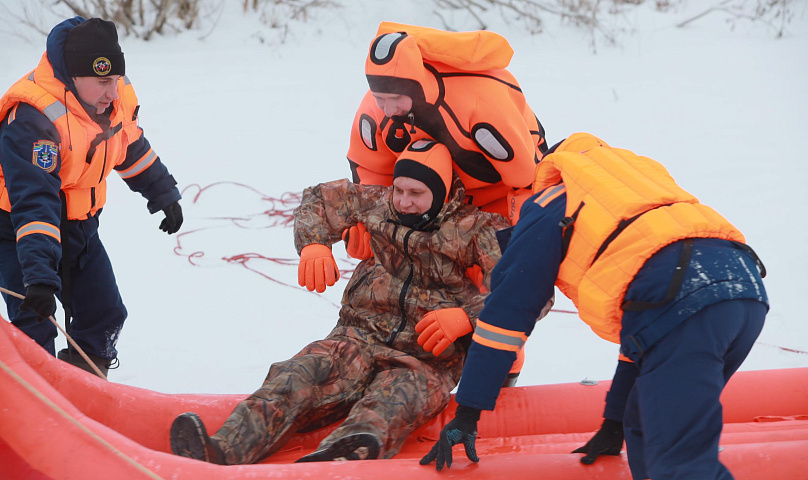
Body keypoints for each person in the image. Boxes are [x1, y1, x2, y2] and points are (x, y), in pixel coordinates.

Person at [420, 133, 768, 480]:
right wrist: (615, 422)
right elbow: (644, 336)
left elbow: (506, 315)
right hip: (743, 290)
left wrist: (468, 412)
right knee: (645, 425)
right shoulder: (638, 190)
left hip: (684, 302)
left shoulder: (555, 200)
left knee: (680, 460)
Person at [169, 140, 511, 464]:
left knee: (393, 403)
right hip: (356, 338)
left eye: (416, 194)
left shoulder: (475, 228)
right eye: (400, 190)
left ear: (441, 192)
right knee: (297, 375)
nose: (404, 202)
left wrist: (467, 317)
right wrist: (314, 244)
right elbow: (318, 198)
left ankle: (340, 459)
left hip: (424, 359)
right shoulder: (378, 203)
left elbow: (520, 287)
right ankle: (221, 450)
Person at [0, 17, 183, 376]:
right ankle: (37, 399)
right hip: (22, 233)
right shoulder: (33, 119)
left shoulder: (111, 98)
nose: (112, 92)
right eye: (102, 82)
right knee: (34, 328)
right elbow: (35, 201)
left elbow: (127, 144)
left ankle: (84, 387)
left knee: (104, 314)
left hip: (81, 229)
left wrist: (162, 192)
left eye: (116, 79)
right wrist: (39, 276)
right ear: (73, 77)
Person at [348, 22, 548, 224]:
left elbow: (527, 180)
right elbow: (369, 171)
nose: (389, 109)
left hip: (501, 191)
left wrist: (522, 227)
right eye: (380, 98)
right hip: (430, 200)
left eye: (396, 98)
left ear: (416, 88)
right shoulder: (373, 113)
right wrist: (371, 221)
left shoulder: (482, 106)